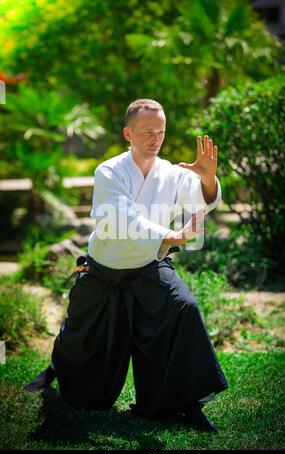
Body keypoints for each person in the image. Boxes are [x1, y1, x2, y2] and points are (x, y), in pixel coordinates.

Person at [25, 98, 228, 432]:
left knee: (184, 309)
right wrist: (170, 235)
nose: (155, 138)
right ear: (127, 133)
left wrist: (207, 180)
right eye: (147, 131)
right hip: (103, 271)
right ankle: (56, 368)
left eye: (160, 131)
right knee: (80, 343)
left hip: (148, 266)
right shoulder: (109, 171)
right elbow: (122, 218)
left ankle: (181, 403)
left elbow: (200, 201)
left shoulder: (173, 174)